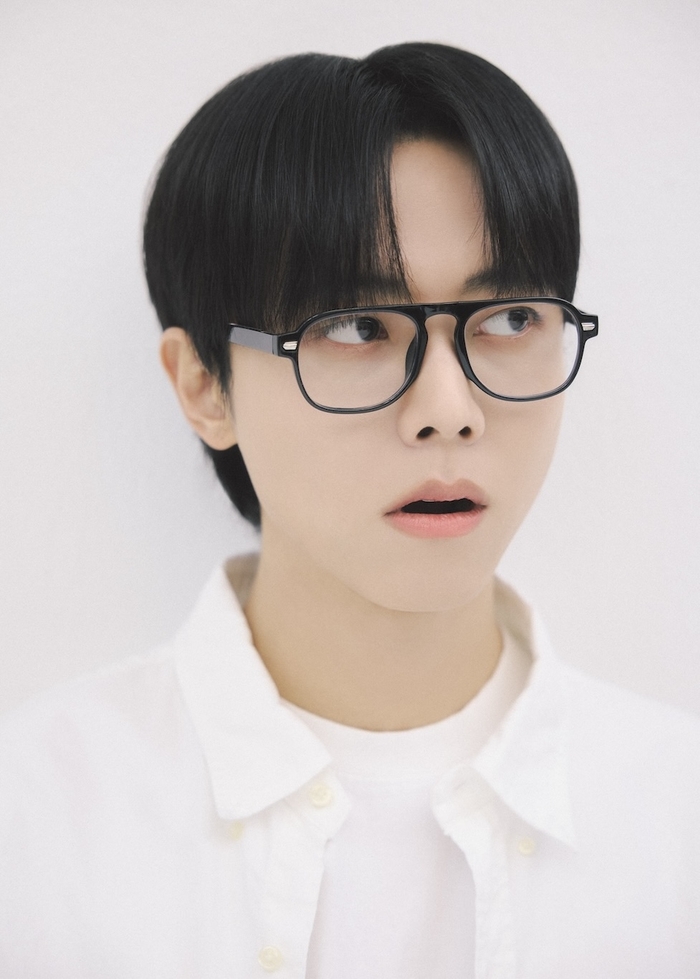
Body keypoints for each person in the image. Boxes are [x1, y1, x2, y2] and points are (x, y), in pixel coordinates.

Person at [0, 41, 698, 979]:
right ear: (203, 384)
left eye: (510, 319)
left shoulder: (674, 823)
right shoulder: (37, 827)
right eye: (359, 327)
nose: (449, 409)